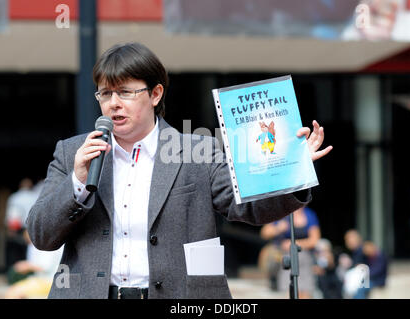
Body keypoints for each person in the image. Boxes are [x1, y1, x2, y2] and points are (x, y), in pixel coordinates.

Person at [26, 42, 332, 299]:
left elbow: (247, 207)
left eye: (125, 93)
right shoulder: (73, 153)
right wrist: (78, 181)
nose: (113, 104)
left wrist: (293, 170)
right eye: (105, 94)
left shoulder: (197, 150)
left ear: (156, 94)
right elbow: (41, 235)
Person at [259, 206, 321, 299]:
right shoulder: (282, 213)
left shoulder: (309, 214)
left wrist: (294, 244)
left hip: (304, 256)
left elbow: (314, 239)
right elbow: (264, 233)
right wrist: (278, 228)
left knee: (305, 291)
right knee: (289, 289)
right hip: (284, 256)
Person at [5, 178, 37, 270]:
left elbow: (12, 214)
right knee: (30, 251)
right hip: (31, 227)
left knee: (15, 251)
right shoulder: (35, 196)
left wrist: (10, 229)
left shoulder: (15, 197)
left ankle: (15, 270)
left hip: (18, 227)